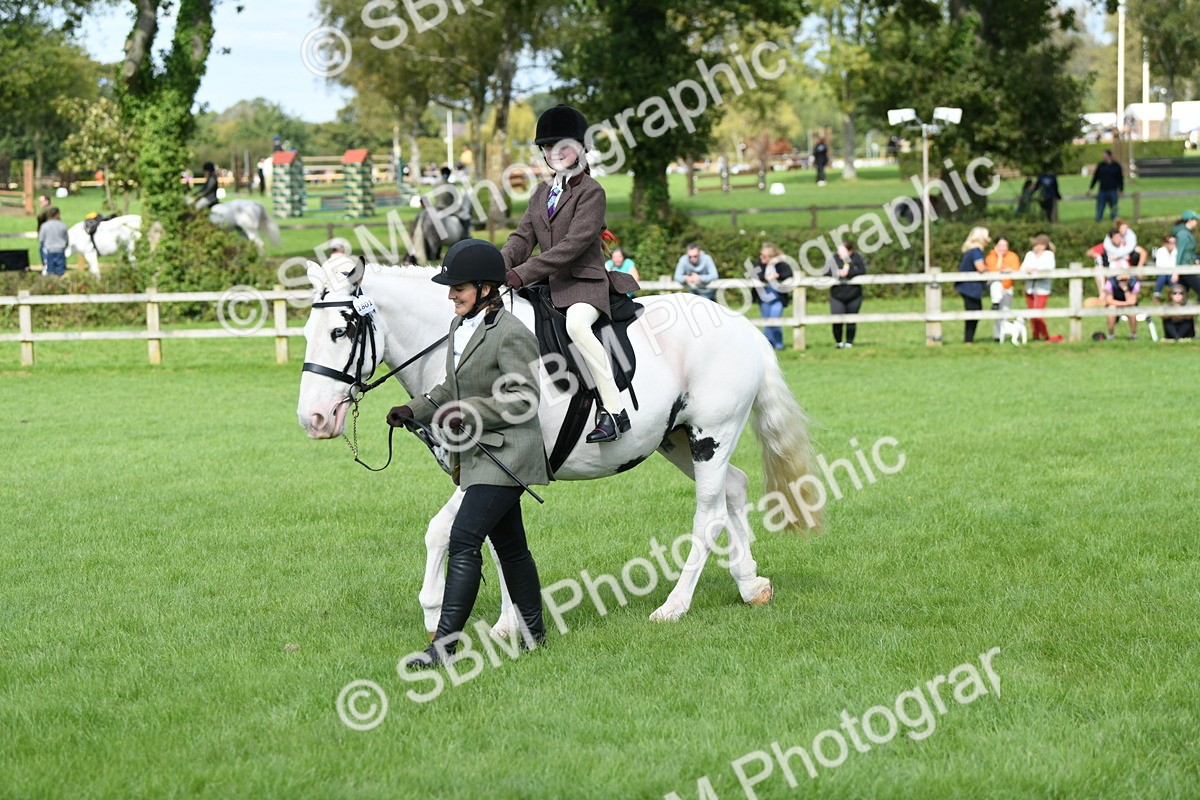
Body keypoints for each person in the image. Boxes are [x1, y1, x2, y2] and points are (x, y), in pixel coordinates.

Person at [386, 240, 549, 669]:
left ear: (486, 288)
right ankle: (535, 635)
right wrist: (415, 409)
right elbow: (449, 389)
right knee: (512, 548)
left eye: (458, 288)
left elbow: (525, 399)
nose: (450, 295)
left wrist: (469, 411)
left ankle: (443, 648)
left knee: (463, 538)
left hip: (509, 454)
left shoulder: (512, 333)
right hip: (479, 455)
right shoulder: (461, 327)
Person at [502, 104, 639, 444]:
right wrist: (498, 267)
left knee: (577, 326)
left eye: (562, 145)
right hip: (549, 286)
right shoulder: (540, 193)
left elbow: (571, 247)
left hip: (584, 285)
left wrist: (522, 273)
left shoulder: (592, 192)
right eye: (548, 146)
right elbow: (522, 238)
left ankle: (614, 410)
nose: (554, 152)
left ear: (581, 147)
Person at [824, 241, 866, 348]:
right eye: (838, 250)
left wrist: (849, 273)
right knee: (836, 319)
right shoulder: (834, 258)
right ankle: (838, 342)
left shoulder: (857, 257)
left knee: (851, 319)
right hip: (837, 295)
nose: (839, 253)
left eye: (842, 251)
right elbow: (825, 272)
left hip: (854, 295)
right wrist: (837, 273)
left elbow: (863, 270)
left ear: (850, 251)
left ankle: (849, 342)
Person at [752, 243, 793, 350]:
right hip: (764, 299)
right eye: (761, 255)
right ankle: (768, 345)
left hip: (777, 299)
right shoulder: (760, 264)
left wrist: (777, 275)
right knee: (766, 322)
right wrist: (764, 277)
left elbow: (788, 273)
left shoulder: (781, 264)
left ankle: (779, 344)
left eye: (764, 256)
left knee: (775, 321)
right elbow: (755, 274)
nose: (761, 257)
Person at [955, 227, 990, 344]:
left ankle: (969, 339)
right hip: (970, 287)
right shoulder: (976, 250)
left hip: (967, 286)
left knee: (974, 311)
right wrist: (991, 269)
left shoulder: (970, 250)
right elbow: (980, 267)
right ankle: (968, 340)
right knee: (973, 312)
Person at [1021, 234, 1057, 341]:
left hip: (1042, 288)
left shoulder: (1048, 255)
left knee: (1039, 313)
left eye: (1039, 244)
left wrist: (1035, 269)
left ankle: (1045, 336)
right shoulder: (1029, 254)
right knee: (1031, 313)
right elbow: (1022, 268)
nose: (1036, 247)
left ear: (1044, 245)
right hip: (1030, 288)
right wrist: (1028, 270)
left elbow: (1049, 267)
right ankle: (1035, 335)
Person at [984, 236, 1020, 341]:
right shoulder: (991, 256)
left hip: (1008, 287)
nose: (1003, 248)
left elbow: (1016, 270)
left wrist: (1010, 270)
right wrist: (999, 257)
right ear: (995, 246)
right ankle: (997, 335)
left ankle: (1002, 335)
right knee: (996, 285)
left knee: (1005, 311)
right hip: (995, 287)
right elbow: (994, 271)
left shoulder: (1012, 256)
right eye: (1000, 245)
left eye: (1005, 245)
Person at [1170, 210, 1200, 301]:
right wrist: (1176, 271)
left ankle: (1181, 309)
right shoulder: (1183, 235)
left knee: (1183, 295)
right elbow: (1180, 253)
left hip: (1188, 267)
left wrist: (1194, 259)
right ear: (1190, 220)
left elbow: (1189, 252)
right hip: (1185, 268)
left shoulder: (1187, 233)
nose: (1197, 222)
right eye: (1195, 220)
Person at [1087, 149, 1124, 222]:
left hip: (1113, 191)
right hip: (1102, 191)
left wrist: (1120, 190)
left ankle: (1115, 221)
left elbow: (1120, 179)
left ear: (1109, 156)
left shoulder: (1116, 166)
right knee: (1100, 208)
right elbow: (1095, 178)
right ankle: (1098, 221)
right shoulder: (1101, 165)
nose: (1103, 156)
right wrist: (1090, 188)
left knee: (1114, 208)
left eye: (1104, 155)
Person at [1102, 271, 1140, 339]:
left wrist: (1125, 290)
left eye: (1125, 280)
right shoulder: (1110, 282)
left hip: (1128, 305)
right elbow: (1109, 301)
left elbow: (1133, 301)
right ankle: (1111, 334)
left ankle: (1133, 335)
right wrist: (1126, 303)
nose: (1123, 282)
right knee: (1111, 308)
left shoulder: (1134, 283)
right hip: (1115, 304)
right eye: (1121, 280)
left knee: (1132, 309)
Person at [38, 207, 69, 277]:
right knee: (61, 272)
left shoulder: (44, 226)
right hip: (60, 251)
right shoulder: (63, 225)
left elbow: (41, 239)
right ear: (57, 214)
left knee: (50, 272)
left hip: (50, 251)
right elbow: (66, 239)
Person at [1150, 234, 1178, 302]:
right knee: (1163, 276)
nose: (1172, 244)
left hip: (1173, 274)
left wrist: (1174, 273)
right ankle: (1159, 296)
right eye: (1170, 242)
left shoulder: (1177, 252)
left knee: (1169, 277)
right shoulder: (1160, 251)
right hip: (1163, 273)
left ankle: (1174, 297)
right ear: (1166, 243)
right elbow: (1159, 265)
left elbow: (1176, 266)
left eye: (1174, 242)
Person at [36, 194, 51, 267]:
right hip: (47, 235)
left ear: (47, 201)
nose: (40, 203)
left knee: (44, 250)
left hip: (47, 236)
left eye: (41, 201)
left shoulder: (47, 210)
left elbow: (39, 217)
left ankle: (46, 267)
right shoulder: (50, 210)